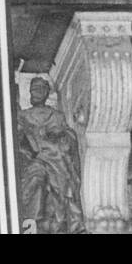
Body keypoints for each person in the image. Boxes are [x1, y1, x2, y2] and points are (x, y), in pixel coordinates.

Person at [17, 77, 85, 234]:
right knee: (36, 175)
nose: (36, 93)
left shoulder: (56, 116)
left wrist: (57, 136)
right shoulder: (22, 115)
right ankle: (30, 224)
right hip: (32, 157)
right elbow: (17, 139)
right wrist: (30, 138)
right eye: (34, 89)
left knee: (65, 176)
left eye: (40, 89)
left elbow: (69, 137)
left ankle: (67, 220)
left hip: (55, 155)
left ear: (47, 93)